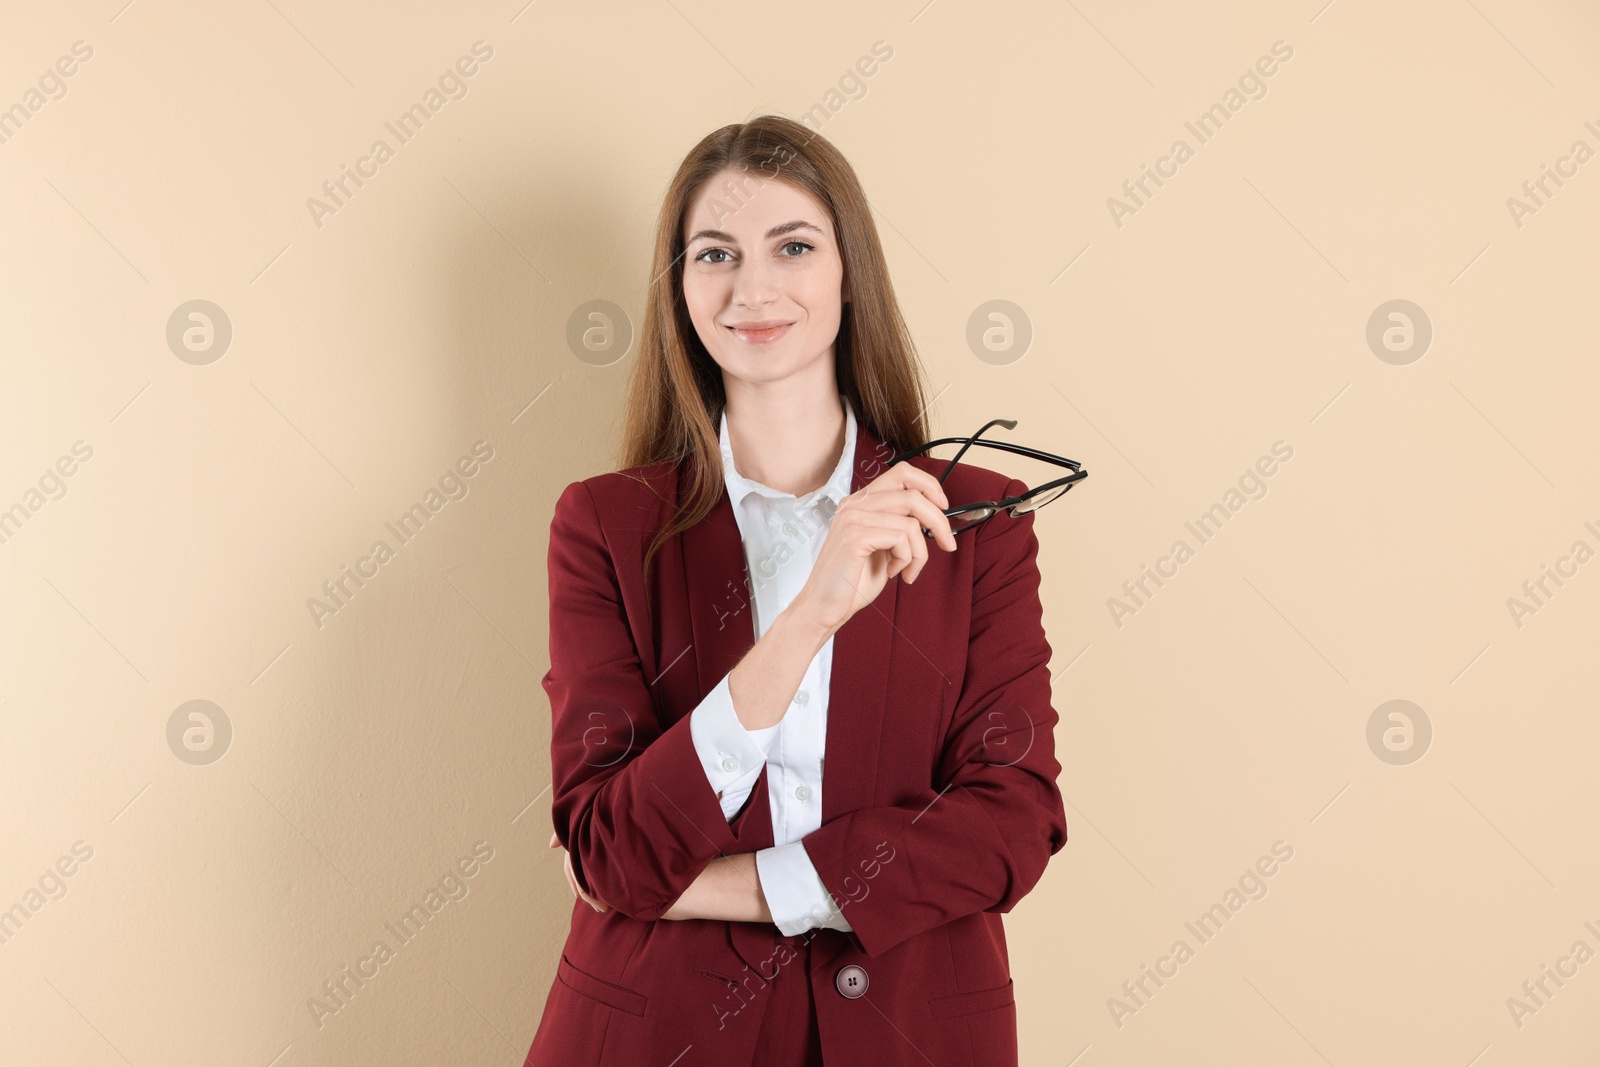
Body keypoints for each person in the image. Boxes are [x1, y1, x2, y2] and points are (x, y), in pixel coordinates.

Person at [525, 115, 1067, 1067]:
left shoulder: (977, 518)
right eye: (715, 253)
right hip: (659, 1033)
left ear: (847, 269)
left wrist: (737, 885)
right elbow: (610, 846)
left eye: (794, 246)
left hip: (915, 1033)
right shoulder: (604, 526)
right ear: (680, 287)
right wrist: (811, 611)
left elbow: (1011, 824)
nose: (753, 287)